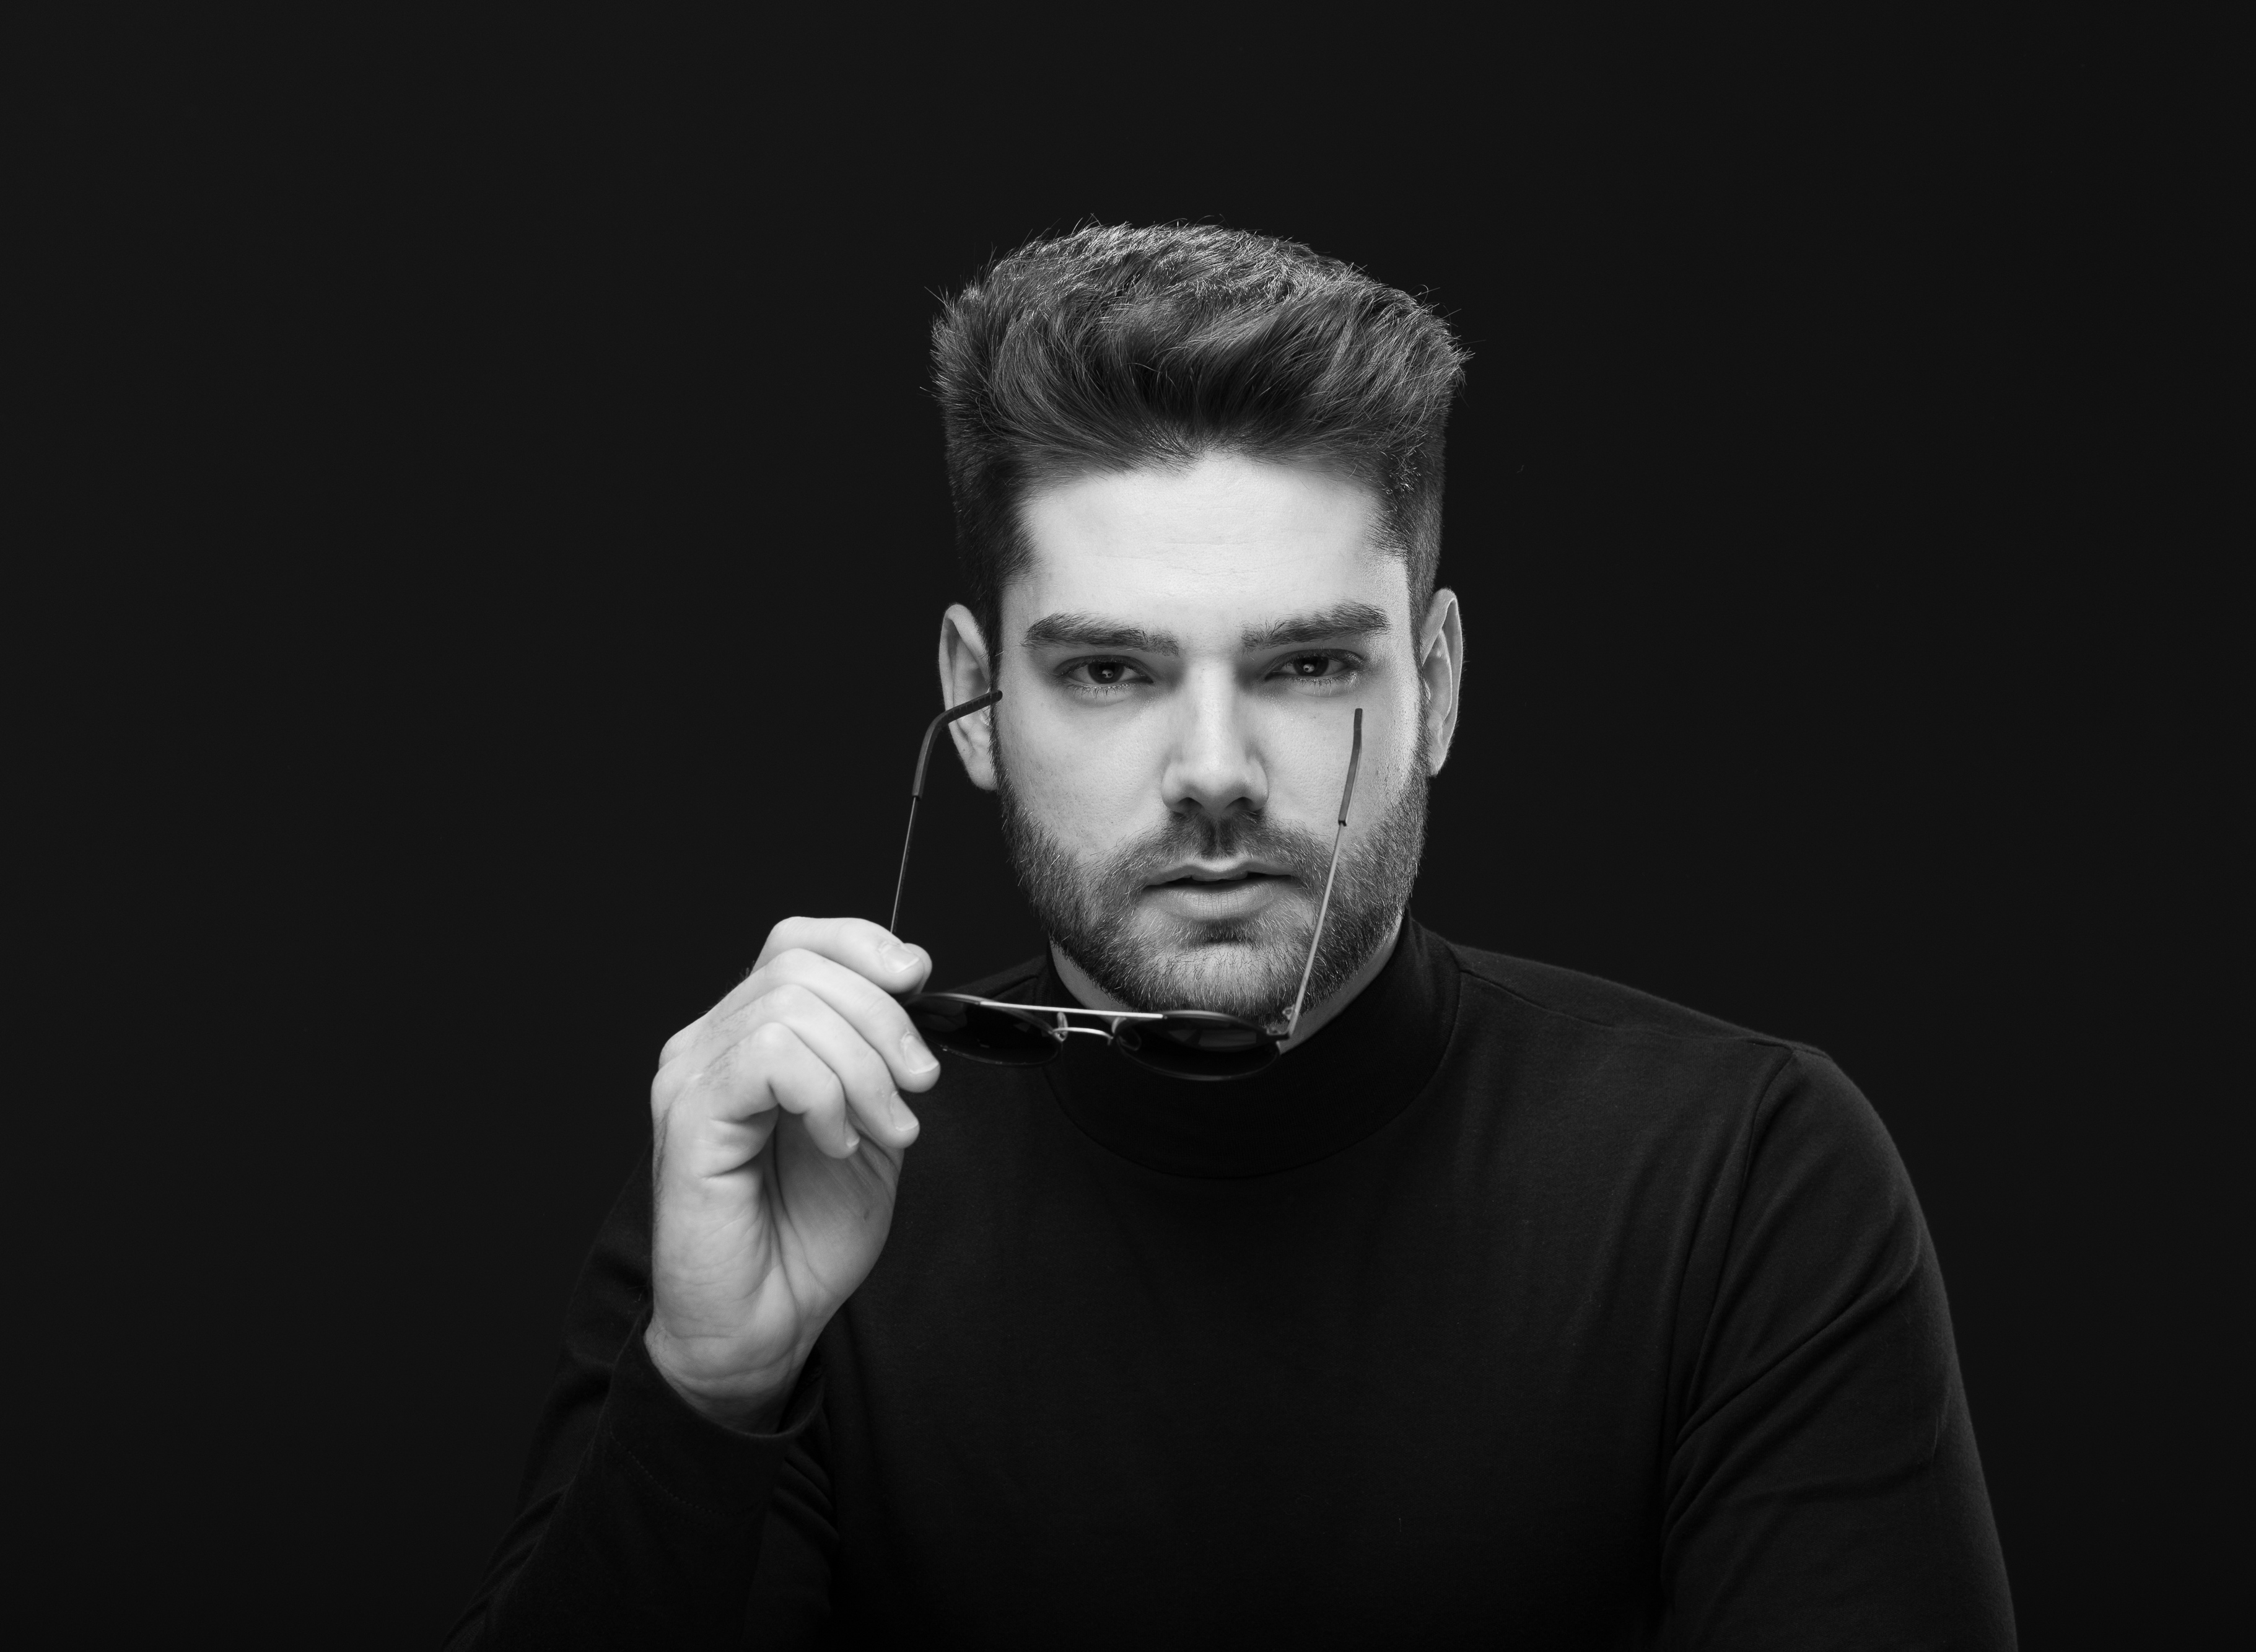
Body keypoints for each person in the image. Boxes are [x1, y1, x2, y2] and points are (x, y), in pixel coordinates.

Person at [448, 224, 2014, 1649]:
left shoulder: (1743, 1179)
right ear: (973, 701)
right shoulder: (791, 1165)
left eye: (1307, 663)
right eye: (1111, 670)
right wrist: (705, 1389)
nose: (1213, 771)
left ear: (1435, 686)